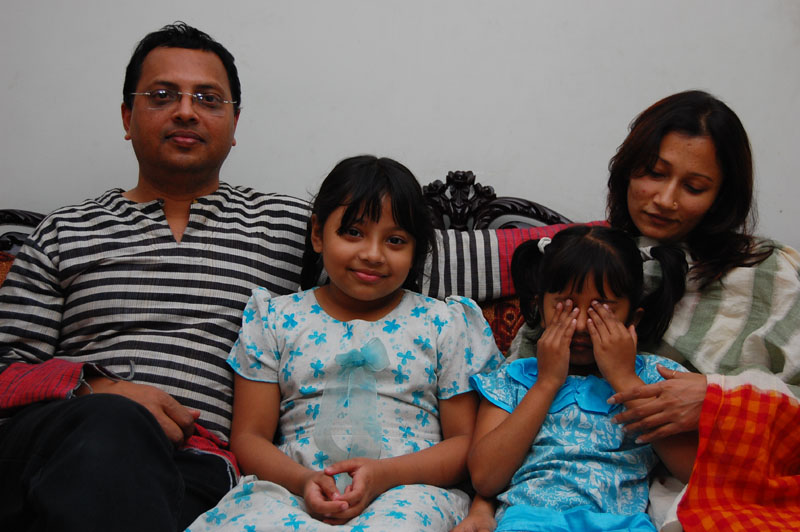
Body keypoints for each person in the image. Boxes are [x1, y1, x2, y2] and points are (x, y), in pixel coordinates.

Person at [0, 23, 509, 532]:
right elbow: (6, 371)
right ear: (127, 116)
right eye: (162, 95)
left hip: (195, 468)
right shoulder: (65, 231)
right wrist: (97, 390)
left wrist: (556, 253)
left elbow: (419, 250)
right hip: (71, 440)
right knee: (111, 429)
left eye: (208, 98)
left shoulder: (284, 224)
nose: (186, 111)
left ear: (234, 122)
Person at [188, 155, 504, 532]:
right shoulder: (275, 319)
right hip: (292, 489)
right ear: (318, 234)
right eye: (353, 232)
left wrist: (384, 476)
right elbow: (249, 437)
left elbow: (465, 443)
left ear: (416, 251)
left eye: (395, 240)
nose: (372, 254)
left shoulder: (444, 324)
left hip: (407, 492)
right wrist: (303, 481)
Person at [467, 225, 697, 532]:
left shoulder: (655, 378)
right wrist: (547, 383)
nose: (580, 325)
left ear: (634, 318)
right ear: (540, 307)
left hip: (623, 525)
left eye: (601, 310)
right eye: (566, 306)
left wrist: (625, 379)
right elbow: (484, 478)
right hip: (530, 520)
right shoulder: (514, 379)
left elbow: (694, 472)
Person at [600, 90, 800, 442]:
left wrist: (719, 398)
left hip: (721, 463)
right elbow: (519, 380)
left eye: (693, 187)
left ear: (721, 198)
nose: (665, 200)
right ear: (627, 170)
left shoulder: (767, 274)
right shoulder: (590, 258)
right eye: (654, 173)